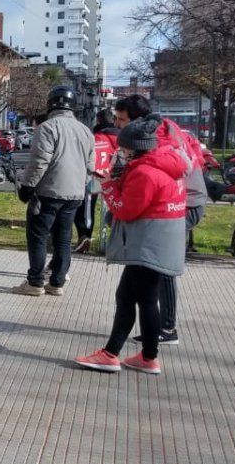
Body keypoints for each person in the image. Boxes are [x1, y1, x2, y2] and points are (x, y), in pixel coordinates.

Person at [74, 116, 185, 376]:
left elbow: (126, 210)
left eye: (123, 150)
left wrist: (108, 187)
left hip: (147, 245)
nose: (120, 154)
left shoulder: (146, 172)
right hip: (159, 242)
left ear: (136, 149)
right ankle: (147, 356)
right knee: (134, 297)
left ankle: (113, 354)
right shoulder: (165, 165)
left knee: (139, 299)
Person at [114, 94, 205, 346]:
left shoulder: (155, 139)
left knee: (160, 264)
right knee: (145, 272)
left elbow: (147, 177)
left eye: (121, 120)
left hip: (185, 204)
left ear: (138, 123)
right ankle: (152, 334)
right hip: (184, 200)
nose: (118, 124)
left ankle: (166, 328)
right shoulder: (166, 128)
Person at [13, 86, 94, 296]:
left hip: (48, 192)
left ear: (50, 104)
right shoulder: (86, 131)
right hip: (74, 194)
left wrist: (27, 187)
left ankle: (35, 282)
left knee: (38, 236)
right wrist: (80, 184)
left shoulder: (47, 128)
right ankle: (57, 282)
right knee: (63, 238)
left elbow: (40, 161)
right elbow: (90, 167)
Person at [74, 108, 119, 252]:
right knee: (117, 208)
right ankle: (115, 241)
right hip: (116, 178)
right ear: (113, 120)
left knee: (86, 208)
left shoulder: (96, 137)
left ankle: (84, 237)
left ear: (98, 121)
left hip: (96, 176)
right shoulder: (122, 138)